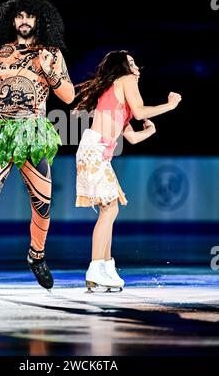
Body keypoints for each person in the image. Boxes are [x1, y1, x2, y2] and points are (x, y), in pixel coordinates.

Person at [0, 0, 74, 293]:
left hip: (33, 134)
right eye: (19, 16)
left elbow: (69, 96)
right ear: (12, 20)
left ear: (39, 19)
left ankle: (36, 256)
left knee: (43, 204)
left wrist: (51, 72)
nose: (24, 21)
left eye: (30, 16)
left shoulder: (50, 53)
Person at [74, 50, 181, 292]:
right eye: (131, 62)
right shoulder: (126, 80)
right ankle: (95, 267)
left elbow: (131, 137)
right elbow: (142, 111)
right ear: (122, 67)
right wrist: (170, 106)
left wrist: (150, 132)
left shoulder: (118, 90)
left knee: (110, 209)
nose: (136, 67)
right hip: (95, 150)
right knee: (109, 209)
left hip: (96, 150)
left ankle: (106, 267)